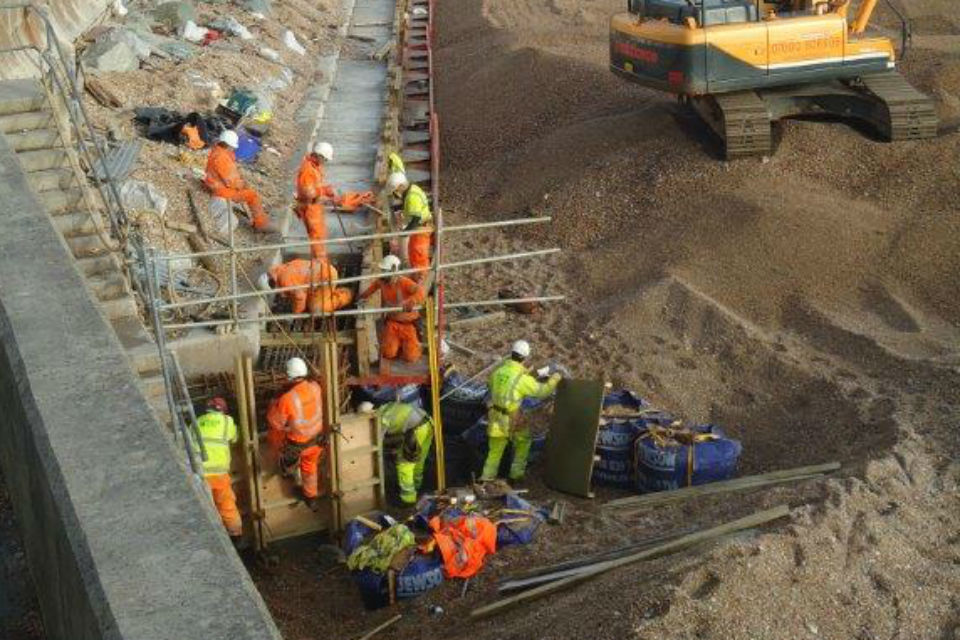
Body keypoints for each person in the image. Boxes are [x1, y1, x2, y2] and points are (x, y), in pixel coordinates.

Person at [481, 340, 562, 482]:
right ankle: (515, 475)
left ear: (511, 354)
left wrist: (524, 373)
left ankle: (486, 478)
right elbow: (542, 391)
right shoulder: (521, 379)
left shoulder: (497, 372)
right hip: (512, 418)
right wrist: (555, 379)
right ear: (525, 358)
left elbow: (496, 385)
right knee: (523, 441)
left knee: (495, 451)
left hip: (495, 416)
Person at [266, 357, 326, 509]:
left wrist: (275, 402)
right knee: (309, 467)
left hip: (297, 446)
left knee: (283, 463)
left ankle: (288, 473)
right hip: (317, 441)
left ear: (288, 376)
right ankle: (311, 496)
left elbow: (275, 422)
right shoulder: (315, 387)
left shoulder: (287, 399)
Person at [361, 400, 434, 505]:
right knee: (418, 460)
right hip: (428, 423)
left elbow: (377, 442)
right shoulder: (386, 406)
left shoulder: (381, 418)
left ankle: (408, 499)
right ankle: (418, 487)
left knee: (404, 465)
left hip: (415, 430)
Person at [357, 254, 426, 362]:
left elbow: (420, 292)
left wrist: (411, 301)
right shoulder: (382, 282)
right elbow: (373, 287)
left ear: (394, 270)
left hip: (409, 325)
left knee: (411, 357)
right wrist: (362, 297)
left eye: (385, 271)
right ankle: (397, 345)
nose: (383, 274)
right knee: (388, 353)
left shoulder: (404, 283)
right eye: (382, 270)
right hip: (392, 323)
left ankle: (411, 346)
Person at [192, 397, 242, 541]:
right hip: (219, 473)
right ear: (224, 411)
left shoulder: (196, 423)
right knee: (227, 504)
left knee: (207, 509)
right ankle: (236, 535)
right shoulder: (227, 421)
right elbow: (235, 438)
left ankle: (215, 539)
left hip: (200, 474)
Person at [204, 130, 270, 231]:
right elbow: (232, 182)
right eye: (232, 146)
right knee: (252, 195)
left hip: (214, 185)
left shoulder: (216, 151)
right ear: (228, 145)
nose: (233, 149)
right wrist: (243, 184)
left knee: (248, 192)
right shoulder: (223, 158)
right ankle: (261, 225)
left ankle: (260, 223)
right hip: (222, 192)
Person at [259, 258, 353, 314]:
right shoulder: (283, 268)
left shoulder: (285, 281)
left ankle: (344, 296)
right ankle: (336, 293)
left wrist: (296, 313)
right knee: (315, 297)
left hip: (325, 278)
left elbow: (300, 297)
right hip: (327, 272)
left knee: (316, 308)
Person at [385, 172, 433, 281]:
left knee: (418, 256)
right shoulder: (412, 189)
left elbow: (415, 219)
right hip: (421, 228)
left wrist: (405, 232)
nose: (396, 195)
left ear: (400, 187)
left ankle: (420, 283)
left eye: (395, 192)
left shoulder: (412, 197)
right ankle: (417, 278)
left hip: (421, 229)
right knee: (414, 254)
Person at [295, 141, 338, 259]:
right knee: (317, 237)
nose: (325, 162)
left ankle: (321, 261)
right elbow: (309, 193)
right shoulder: (307, 170)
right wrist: (324, 193)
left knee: (320, 235)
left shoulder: (315, 166)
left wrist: (325, 189)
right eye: (325, 159)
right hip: (310, 208)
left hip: (315, 207)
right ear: (319, 156)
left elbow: (315, 187)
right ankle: (320, 263)